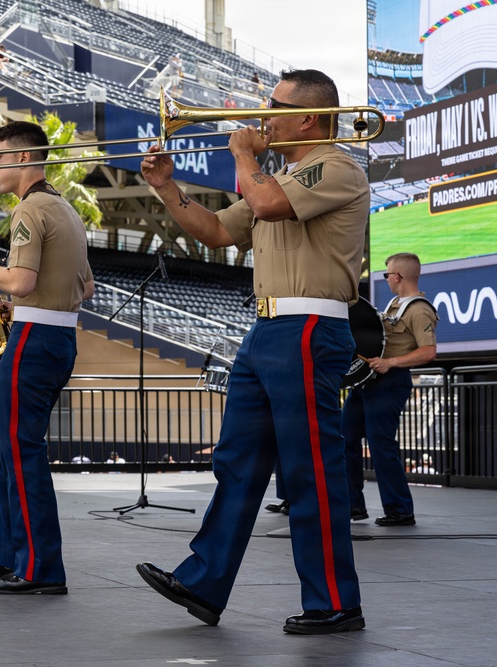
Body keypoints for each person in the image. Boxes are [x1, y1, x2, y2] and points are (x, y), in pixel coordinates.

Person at [134, 69, 368, 634]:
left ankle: (335, 601)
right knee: (237, 461)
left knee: (309, 468)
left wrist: (243, 155)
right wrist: (166, 187)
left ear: (307, 118)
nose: (262, 116)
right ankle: (204, 581)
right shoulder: (279, 177)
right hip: (266, 328)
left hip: (309, 326)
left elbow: (264, 204)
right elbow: (215, 231)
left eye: (274, 106)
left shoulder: (336, 166)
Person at [0, 120, 95, 595]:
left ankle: (40, 568)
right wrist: (18, 307)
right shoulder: (65, 208)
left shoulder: (29, 209)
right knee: (5, 444)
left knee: (19, 450)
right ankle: (7, 556)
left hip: (35, 340)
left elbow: (21, 281)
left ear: (22, 159)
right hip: (55, 336)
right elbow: (87, 286)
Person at [343, 252, 437, 527]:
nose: (385, 279)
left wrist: (390, 362)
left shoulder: (419, 309)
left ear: (397, 276)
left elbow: (429, 352)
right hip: (368, 382)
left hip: (390, 382)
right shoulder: (396, 304)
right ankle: (352, 505)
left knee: (381, 445)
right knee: (344, 438)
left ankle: (400, 510)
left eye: (386, 275)